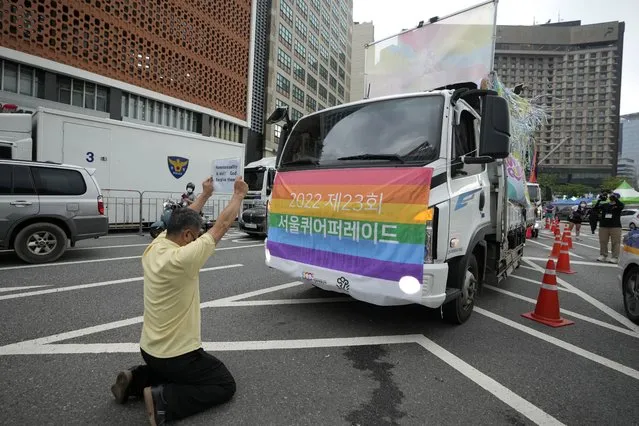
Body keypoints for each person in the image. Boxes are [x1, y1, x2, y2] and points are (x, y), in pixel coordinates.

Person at [110, 175, 249, 425]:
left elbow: (183, 217)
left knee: (168, 370)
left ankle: (135, 380)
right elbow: (222, 226)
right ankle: (164, 401)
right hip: (177, 355)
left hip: (149, 349)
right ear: (187, 236)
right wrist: (238, 195)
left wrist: (205, 195)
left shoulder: (157, 245)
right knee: (223, 383)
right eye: (195, 236)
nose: (197, 239)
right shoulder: (183, 259)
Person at [593, 191, 624, 263]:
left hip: (615, 226)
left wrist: (615, 199)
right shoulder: (605, 205)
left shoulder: (619, 205)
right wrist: (599, 200)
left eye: (614, 197)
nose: (612, 198)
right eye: (611, 197)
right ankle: (603, 255)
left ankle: (615, 257)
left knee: (616, 242)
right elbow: (595, 208)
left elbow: (621, 205)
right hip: (603, 226)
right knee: (603, 241)